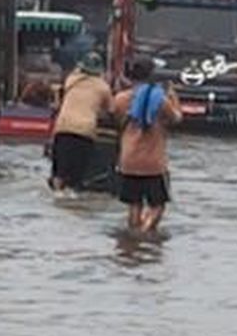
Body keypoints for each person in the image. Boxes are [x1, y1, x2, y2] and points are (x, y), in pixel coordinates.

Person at [113, 56, 183, 233]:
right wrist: (174, 97)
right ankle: (143, 236)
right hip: (153, 164)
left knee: (134, 204)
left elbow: (113, 115)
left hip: (128, 162)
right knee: (158, 206)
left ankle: (132, 238)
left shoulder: (121, 99)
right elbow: (176, 118)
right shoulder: (160, 100)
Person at [50, 52, 113, 191]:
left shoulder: (71, 80)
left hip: (63, 128)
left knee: (59, 172)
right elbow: (110, 111)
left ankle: (57, 197)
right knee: (76, 175)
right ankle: (74, 198)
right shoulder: (103, 88)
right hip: (84, 132)